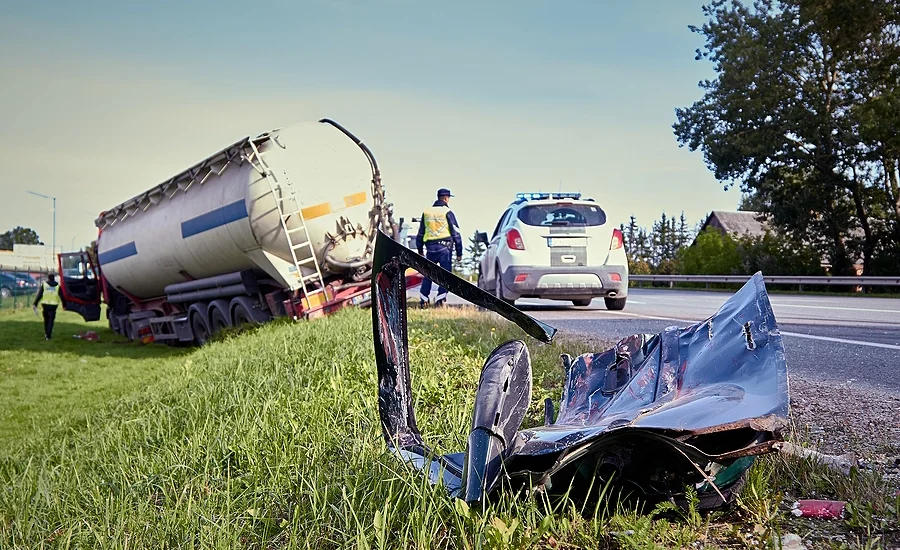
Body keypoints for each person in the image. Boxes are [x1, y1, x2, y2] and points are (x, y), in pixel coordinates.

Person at [416, 188, 463, 307]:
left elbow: (421, 232)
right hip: (445, 249)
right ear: (446, 198)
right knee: (444, 276)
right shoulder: (447, 212)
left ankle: (424, 299)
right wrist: (459, 252)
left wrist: (420, 249)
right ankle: (440, 300)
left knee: (428, 274)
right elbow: (455, 233)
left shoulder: (427, 212)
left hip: (430, 248)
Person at [33, 273, 63, 340]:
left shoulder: (44, 285)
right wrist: (65, 304)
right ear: (54, 278)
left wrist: (35, 303)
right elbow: (62, 296)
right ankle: (48, 335)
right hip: (53, 305)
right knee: (51, 321)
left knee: (46, 320)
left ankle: (46, 333)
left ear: (48, 278)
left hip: (45, 305)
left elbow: (39, 295)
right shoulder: (57, 286)